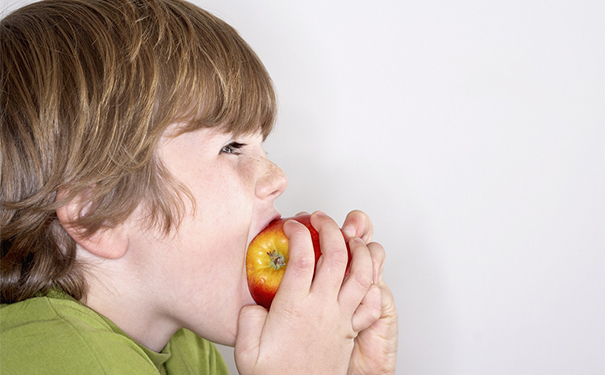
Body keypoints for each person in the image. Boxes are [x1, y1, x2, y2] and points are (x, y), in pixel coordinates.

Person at [0, 0, 398, 373]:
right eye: (231, 147)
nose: (278, 177)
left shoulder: (186, 345)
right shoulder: (60, 357)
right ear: (97, 213)